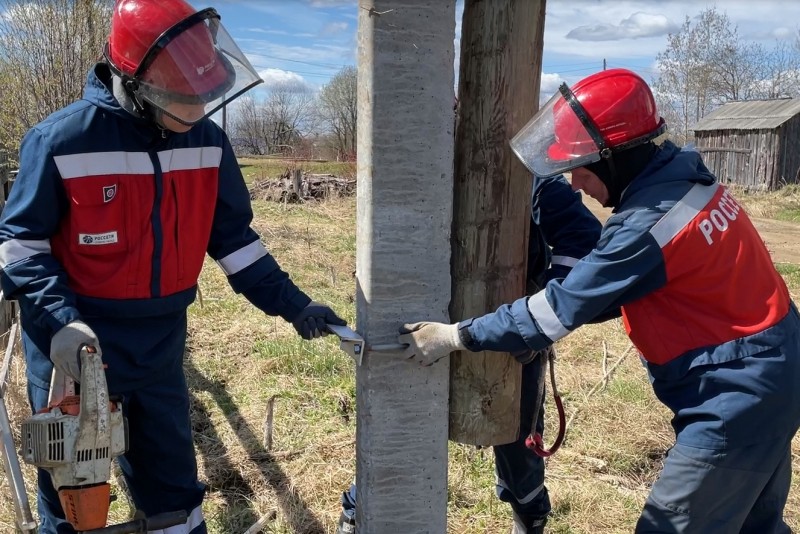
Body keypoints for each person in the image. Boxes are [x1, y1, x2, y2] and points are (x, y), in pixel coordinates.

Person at [398, 67, 800, 533]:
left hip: (736, 394)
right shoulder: (683, 181)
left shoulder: (648, 224)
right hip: (774, 370)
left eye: (580, 169)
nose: (574, 185)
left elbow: (557, 311)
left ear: (613, 156)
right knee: (754, 526)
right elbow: (608, 297)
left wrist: (455, 335)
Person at [0, 1, 345, 533]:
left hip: (159, 343)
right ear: (132, 83)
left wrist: (294, 305)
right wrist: (63, 319)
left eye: (203, 99)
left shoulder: (208, 143)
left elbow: (234, 242)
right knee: (75, 493)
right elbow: (20, 246)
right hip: (74, 345)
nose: (194, 114)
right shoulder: (62, 141)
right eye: (180, 101)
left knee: (174, 491)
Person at [336, 173, 602, 534]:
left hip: (506, 340)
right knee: (396, 437)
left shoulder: (530, 179)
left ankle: (529, 515)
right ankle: (358, 512)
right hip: (418, 335)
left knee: (518, 451)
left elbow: (582, 244)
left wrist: (533, 319)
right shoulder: (416, 167)